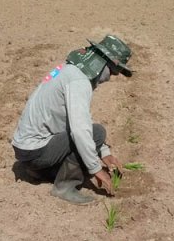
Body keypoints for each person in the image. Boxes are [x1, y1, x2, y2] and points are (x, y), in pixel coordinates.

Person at [12, 35, 133, 204]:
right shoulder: (79, 81)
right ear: (103, 63)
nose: (109, 78)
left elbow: (79, 118)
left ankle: (39, 171)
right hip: (35, 151)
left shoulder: (67, 70)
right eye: (112, 72)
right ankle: (65, 187)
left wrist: (104, 152)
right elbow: (80, 130)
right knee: (97, 133)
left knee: (90, 135)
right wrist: (96, 170)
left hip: (25, 148)